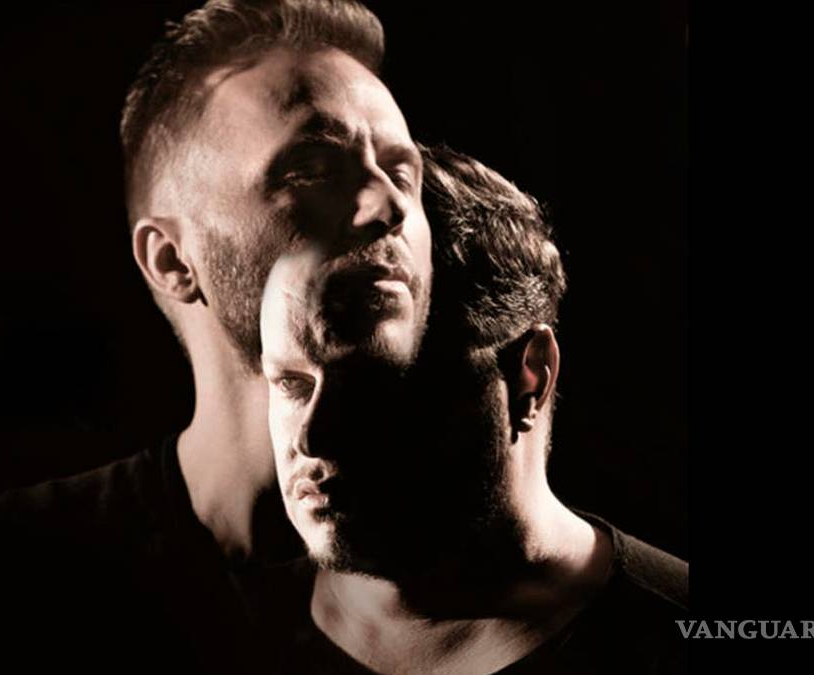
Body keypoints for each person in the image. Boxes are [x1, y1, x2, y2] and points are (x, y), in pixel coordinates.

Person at [0, 1, 431, 673]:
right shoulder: (11, 574)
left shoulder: (501, 580)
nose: (392, 206)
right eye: (314, 167)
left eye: (402, 172)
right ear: (173, 261)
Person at [258, 144, 689, 674]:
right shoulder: (210, 627)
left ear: (530, 377)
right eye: (291, 383)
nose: (312, 436)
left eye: (370, 387)